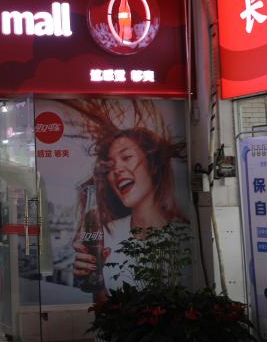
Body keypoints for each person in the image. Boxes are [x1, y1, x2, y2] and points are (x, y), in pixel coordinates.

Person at [70, 100, 187, 297]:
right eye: (110, 165)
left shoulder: (183, 234)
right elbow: (101, 308)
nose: (117, 170)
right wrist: (94, 280)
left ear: (152, 164)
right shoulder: (107, 234)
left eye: (127, 157)